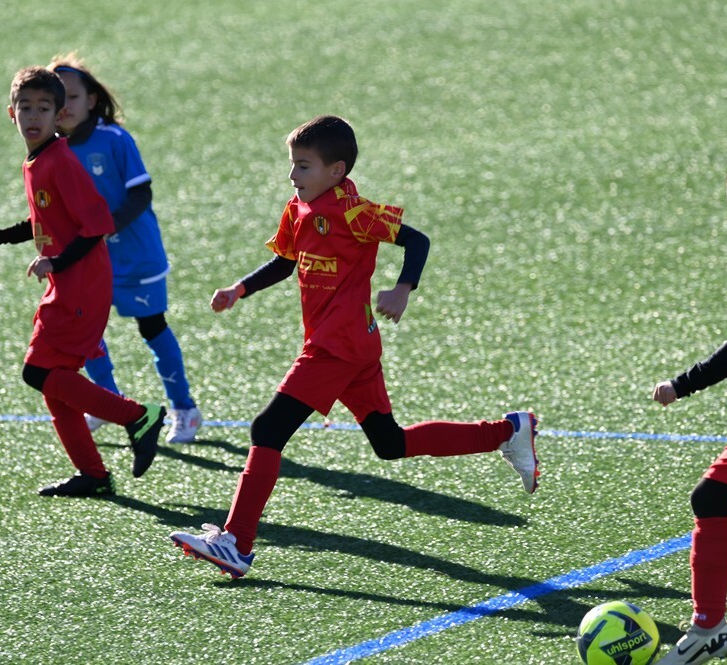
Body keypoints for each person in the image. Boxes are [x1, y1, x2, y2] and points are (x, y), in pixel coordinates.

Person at [169, 115, 539, 578]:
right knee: (390, 443)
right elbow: (284, 262)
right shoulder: (298, 208)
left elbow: (417, 241)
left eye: (303, 166)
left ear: (336, 170)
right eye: (292, 164)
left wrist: (402, 289)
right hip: (351, 346)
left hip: (337, 346)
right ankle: (506, 432)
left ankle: (237, 542)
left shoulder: (354, 212)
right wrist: (238, 289)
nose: (292, 174)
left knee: (267, 430)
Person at [0, 66, 165, 497]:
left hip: (82, 283)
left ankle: (136, 416)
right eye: (25, 107)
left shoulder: (61, 162)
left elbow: (96, 225)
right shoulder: (37, 161)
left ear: (59, 115)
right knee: (55, 382)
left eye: (44, 108)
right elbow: (43, 221)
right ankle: (93, 475)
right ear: (11, 114)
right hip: (68, 281)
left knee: (38, 372)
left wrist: (55, 262)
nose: (33, 116)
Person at [651, 152, 727, 663]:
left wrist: (681, 385)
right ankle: (710, 629)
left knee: (710, 499)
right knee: (711, 497)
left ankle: (709, 629)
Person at [46, 53, 201, 444]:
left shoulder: (115, 140)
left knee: (152, 328)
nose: (64, 106)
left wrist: (102, 229)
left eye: (72, 97)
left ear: (92, 100)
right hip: (87, 259)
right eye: (56, 99)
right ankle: (107, 402)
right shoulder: (51, 150)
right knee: (84, 330)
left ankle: (185, 409)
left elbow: (140, 193)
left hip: (135, 255)